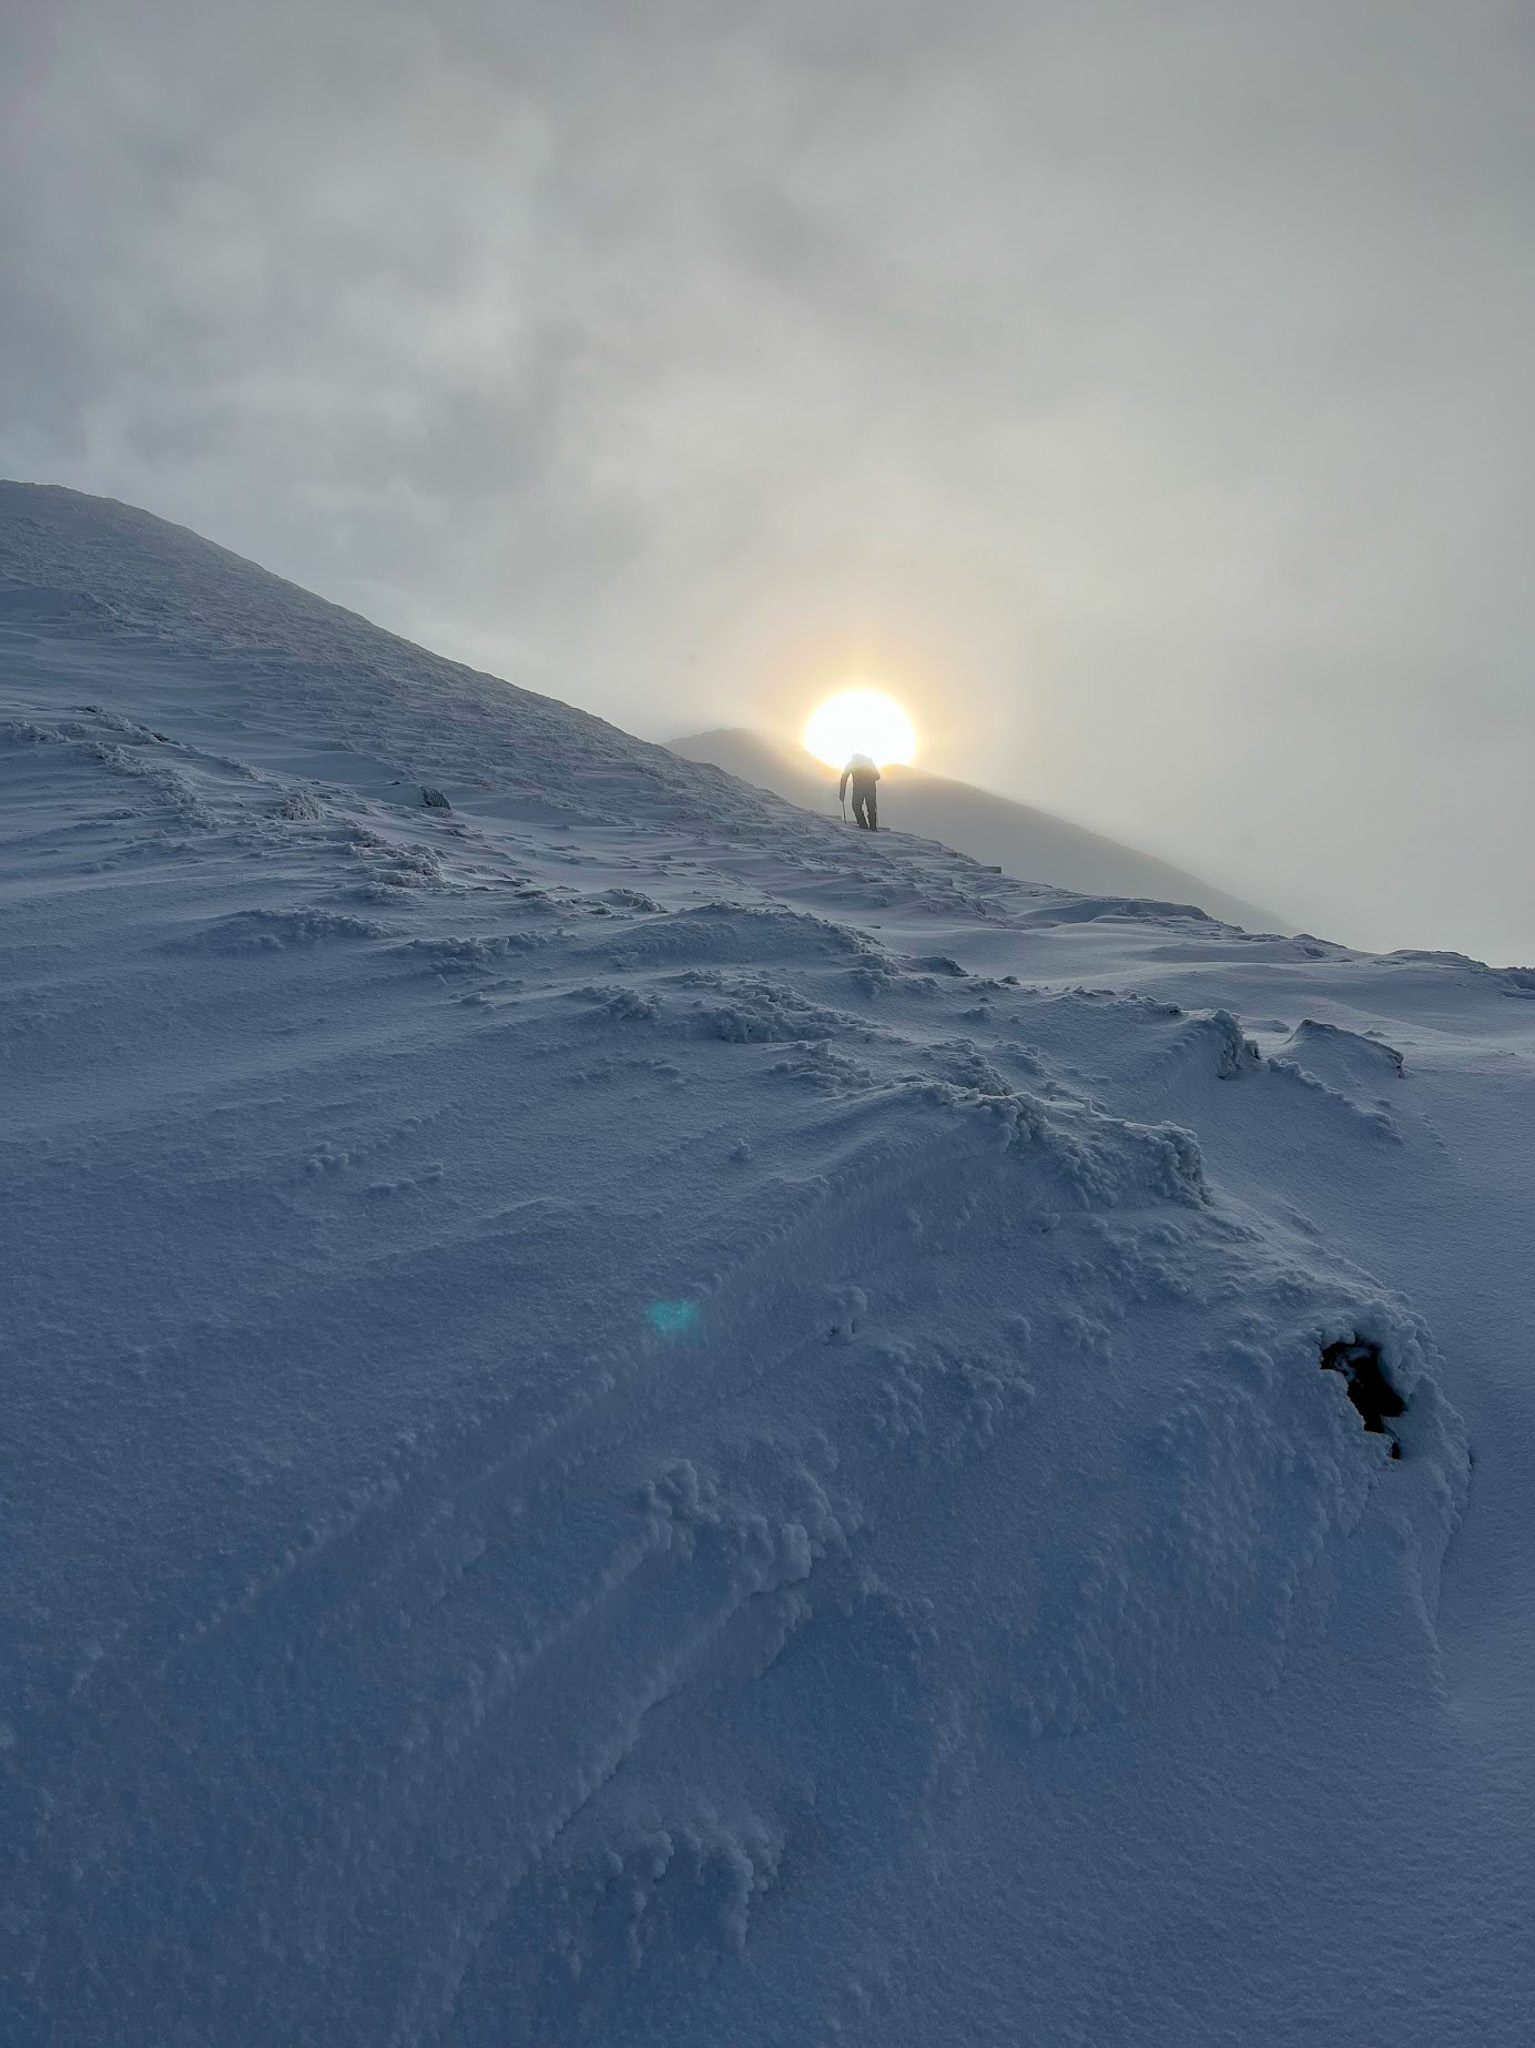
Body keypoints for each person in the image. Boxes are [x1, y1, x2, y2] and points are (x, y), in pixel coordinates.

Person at [839, 753, 880, 829]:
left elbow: (844, 778)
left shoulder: (851, 764)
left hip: (858, 789)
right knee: (871, 808)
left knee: (856, 806)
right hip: (870, 788)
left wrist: (842, 793)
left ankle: (863, 825)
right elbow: (877, 776)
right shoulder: (868, 762)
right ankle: (873, 827)